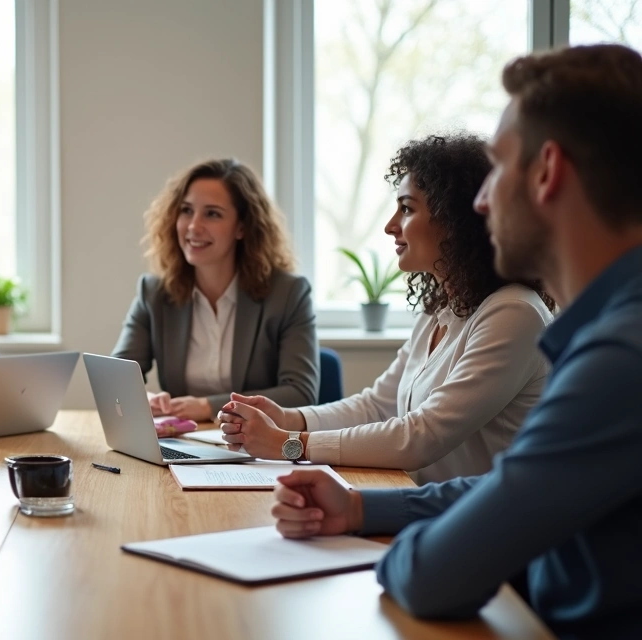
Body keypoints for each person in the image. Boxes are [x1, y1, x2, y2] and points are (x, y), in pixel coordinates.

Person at [270, 44, 642, 637]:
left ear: (548, 172)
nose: (480, 199)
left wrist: (393, 540)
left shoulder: (621, 355)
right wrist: (363, 508)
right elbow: (511, 483)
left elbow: (435, 575)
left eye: (498, 166)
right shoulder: (608, 329)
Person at [218, 134, 555, 484]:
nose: (390, 225)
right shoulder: (441, 308)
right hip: (422, 506)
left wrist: (289, 444)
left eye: (407, 208)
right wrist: (289, 419)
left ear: (456, 219)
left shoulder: (514, 314)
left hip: (480, 526)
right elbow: (377, 405)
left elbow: (422, 437)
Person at [111, 159, 318, 422]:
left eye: (212, 214)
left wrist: (208, 407)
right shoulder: (154, 293)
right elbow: (115, 378)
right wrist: (144, 399)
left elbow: (301, 393)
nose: (193, 226)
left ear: (242, 227)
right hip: (183, 442)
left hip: (257, 446)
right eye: (186, 210)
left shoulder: (289, 294)